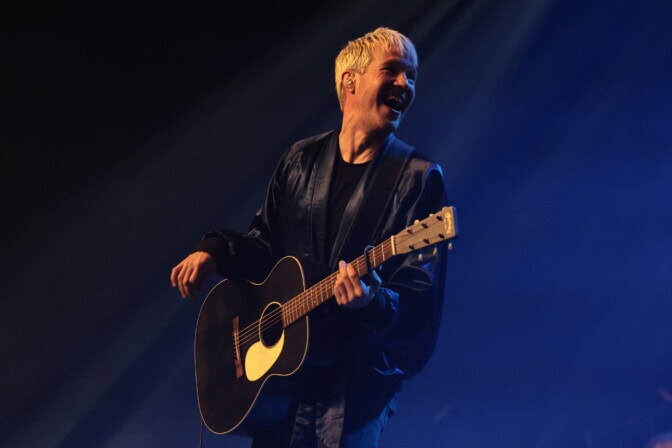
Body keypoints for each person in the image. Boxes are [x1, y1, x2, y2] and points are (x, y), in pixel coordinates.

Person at [170, 26, 450, 447]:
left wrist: (372, 302)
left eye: (411, 76)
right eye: (392, 70)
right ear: (350, 81)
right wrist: (215, 251)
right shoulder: (300, 160)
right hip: (282, 381)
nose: (404, 84)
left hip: (353, 388)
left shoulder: (417, 177)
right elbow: (265, 246)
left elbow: (419, 301)